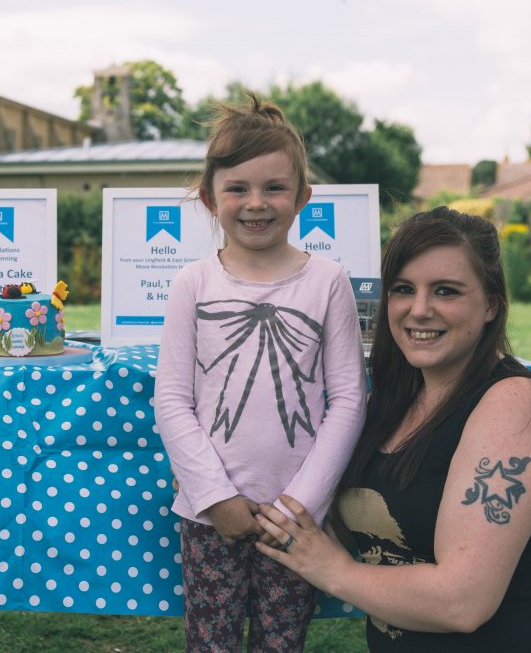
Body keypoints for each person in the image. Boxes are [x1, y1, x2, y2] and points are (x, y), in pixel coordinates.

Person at [255, 206, 531, 651]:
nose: (419, 310)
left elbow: (463, 602)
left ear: (492, 303)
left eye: (445, 291)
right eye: (403, 289)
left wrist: (334, 570)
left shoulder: (515, 404)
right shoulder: (388, 402)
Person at [155, 94, 367, 652]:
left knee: (281, 644)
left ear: (302, 198)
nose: (256, 203)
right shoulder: (192, 285)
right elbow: (172, 400)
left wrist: (302, 504)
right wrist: (213, 497)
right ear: (209, 198)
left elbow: (348, 399)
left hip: (297, 522)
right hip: (210, 516)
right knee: (211, 643)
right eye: (238, 189)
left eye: (274, 188)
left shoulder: (328, 282)